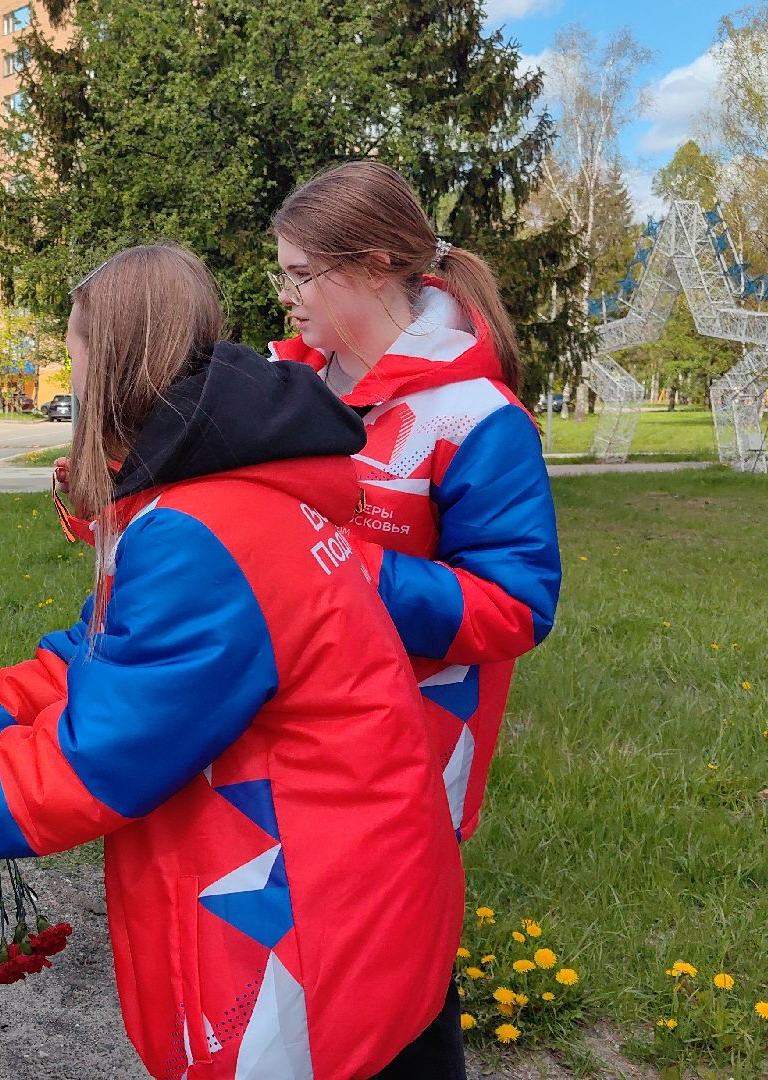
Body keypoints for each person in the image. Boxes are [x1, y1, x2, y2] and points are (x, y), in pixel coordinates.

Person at [0, 245, 464, 1079]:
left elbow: (96, 763)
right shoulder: (219, 492)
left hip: (307, 947)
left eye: (74, 351)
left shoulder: (197, 531)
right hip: (354, 902)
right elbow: (89, 663)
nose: (72, 378)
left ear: (117, 360)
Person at [266, 160, 562, 846]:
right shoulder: (276, 386)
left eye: (301, 273)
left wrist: (337, 572)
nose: (287, 294)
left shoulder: (476, 417)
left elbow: (515, 606)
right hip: (279, 730)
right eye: (283, 274)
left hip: (402, 749)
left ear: (373, 266)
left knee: (376, 946)